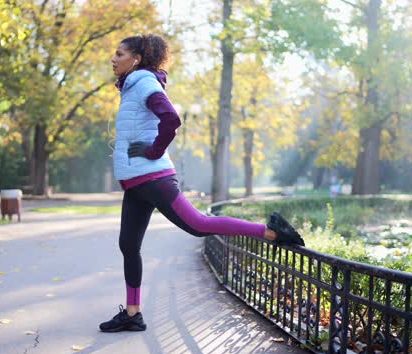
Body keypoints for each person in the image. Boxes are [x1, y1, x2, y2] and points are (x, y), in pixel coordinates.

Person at [99, 34, 304, 333]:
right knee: (128, 244)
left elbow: (171, 119)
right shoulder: (132, 86)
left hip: (154, 178)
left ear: (137, 59)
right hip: (135, 183)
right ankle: (133, 314)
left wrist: (154, 151)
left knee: (198, 224)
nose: (113, 59)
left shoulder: (143, 82)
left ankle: (272, 232)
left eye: (119, 54)